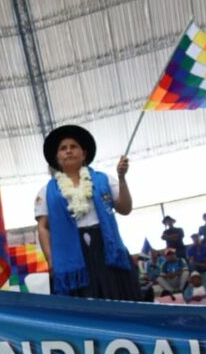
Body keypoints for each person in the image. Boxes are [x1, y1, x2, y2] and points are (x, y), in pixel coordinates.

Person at [34, 125, 140, 301]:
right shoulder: (46, 192)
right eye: (63, 148)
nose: (68, 151)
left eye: (73, 147)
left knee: (114, 294)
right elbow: (43, 227)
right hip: (70, 253)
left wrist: (122, 178)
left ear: (83, 154)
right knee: (84, 299)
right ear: (57, 158)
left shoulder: (104, 180)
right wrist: (51, 261)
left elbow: (125, 209)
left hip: (106, 245)